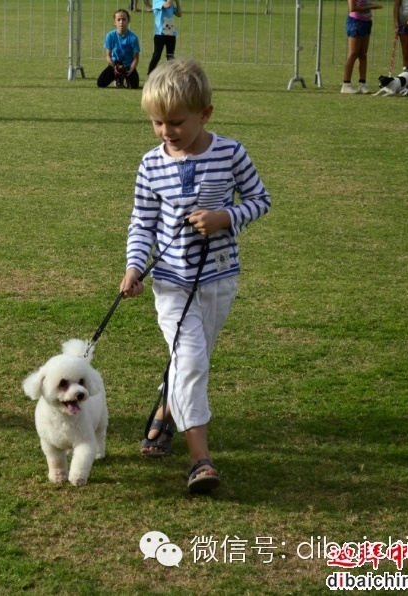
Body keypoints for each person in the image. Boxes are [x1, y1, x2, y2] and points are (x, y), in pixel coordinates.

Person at [119, 59, 271, 493]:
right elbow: (142, 223)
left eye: (176, 122)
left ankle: (166, 410)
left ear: (205, 114)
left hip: (220, 280)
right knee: (191, 361)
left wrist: (226, 216)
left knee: (191, 360)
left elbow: (260, 199)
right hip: (171, 283)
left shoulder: (230, 152)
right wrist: (134, 267)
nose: (166, 131)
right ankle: (200, 459)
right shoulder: (150, 164)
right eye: (157, 122)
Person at [341, 0, 381, 94]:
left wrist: (371, 5)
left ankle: (362, 83)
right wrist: (372, 7)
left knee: (363, 54)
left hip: (366, 22)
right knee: (353, 53)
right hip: (356, 22)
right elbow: (353, 8)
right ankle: (346, 84)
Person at [97, 9, 140, 89]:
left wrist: (131, 69)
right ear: (115, 22)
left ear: (128, 21)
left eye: (124, 19)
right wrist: (113, 66)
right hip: (115, 64)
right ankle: (116, 78)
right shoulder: (110, 36)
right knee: (101, 83)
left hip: (128, 65)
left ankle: (125, 79)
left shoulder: (133, 38)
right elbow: (108, 56)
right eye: (118, 19)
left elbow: (135, 58)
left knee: (135, 86)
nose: (121, 22)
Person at [148, 0, 180, 75]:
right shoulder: (157, 1)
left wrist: (177, 2)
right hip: (160, 34)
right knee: (156, 55)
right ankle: (150, 74)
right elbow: (167, 5)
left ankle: (171, 75)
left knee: (170, 56)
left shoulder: (170, 2)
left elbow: (179, 14)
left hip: (171, 33)